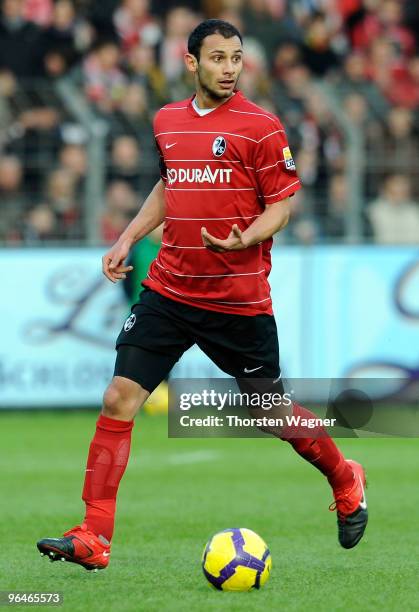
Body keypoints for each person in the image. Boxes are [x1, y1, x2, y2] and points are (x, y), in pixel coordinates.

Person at [37, 19, 368, 571]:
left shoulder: (261, 127)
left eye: (236, 58)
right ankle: (95, 536)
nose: (229, 68)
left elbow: (283, 204)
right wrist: (127, 237)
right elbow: (171, 184)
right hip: (169, 290)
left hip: (237, 302)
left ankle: (345, 478)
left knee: (272, 414)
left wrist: (250, 235)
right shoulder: (166, 120)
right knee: (120, 398)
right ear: (191, 63)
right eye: (218, 58)